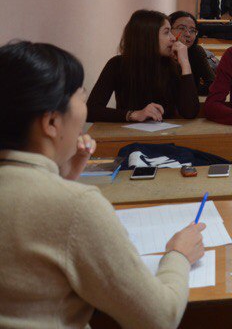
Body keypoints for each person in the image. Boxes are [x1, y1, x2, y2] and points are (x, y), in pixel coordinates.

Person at [0, 41, 205, 328]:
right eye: (80, 97)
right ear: (51, 123)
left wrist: (60, 179)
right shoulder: (77, 206)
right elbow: (160, 317)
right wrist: (178, 255)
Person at [87, 10, 200, 122]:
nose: (173, 38)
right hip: (127, 132)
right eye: (166, 32)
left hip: (166, 131)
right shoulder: (117, 64)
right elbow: (91, 111)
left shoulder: (172, 65)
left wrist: (185, 63)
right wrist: (133, 114)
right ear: (148, 36)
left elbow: (190, 113)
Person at [169, 11, 217, 95]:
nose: (188, 34)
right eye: (181, 28)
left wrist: (191, 91)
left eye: (192, 30)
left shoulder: (196, 51)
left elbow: (213, 85)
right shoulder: (160, 52)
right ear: (168, 30)